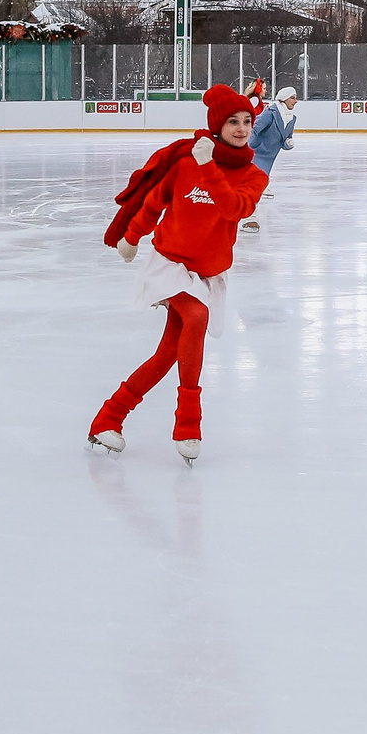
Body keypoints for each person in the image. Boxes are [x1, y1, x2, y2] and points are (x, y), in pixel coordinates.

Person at [90, 85, 268, 462]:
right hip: (168, 264)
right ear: (215, 126)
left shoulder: (253, 176)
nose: (240, 128)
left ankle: (109, 418)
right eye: (232, 121)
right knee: (196, 315)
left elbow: (235, 209)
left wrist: (209, 168)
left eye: (247, 121)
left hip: (206, 275)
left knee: (167, 354)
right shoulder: (187, 164)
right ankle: (189, 421)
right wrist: (132, 237)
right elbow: (155, 200)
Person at [244, 86, 298, 230]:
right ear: (285, 98)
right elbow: (254, 129)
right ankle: (248, 218)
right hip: (256, 153)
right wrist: (247, 148)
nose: (296, 101)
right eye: (293, 98)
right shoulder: (270, 113)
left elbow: (285, 139)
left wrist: (288, 144)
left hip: (269, 158)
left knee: (258, 186)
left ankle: (244, 214)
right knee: (253, 186)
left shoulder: (292, 119)